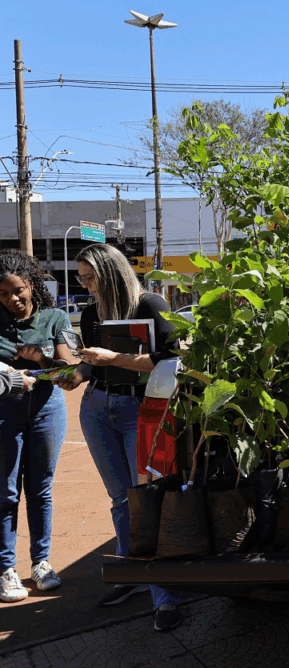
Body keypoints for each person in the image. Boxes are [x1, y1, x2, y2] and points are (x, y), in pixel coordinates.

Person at [56, 243, 184, 630]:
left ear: (111, 273)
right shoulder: (92, 312)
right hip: (97, 408)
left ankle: (165, 594)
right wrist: (76, 375)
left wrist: (115, 359)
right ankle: (132, 576)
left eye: (91, 277)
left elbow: (170, 359)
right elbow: (93, 366)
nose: (85, 285)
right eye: (81, 277)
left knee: (149, 499)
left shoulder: (151, 304)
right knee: (119, 499)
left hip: (140, 410)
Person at [0, 250, 73, 603]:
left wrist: (40, 358)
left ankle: (40, 563)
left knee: (40, 490)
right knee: (6, 491)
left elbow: (70, 374)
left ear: (31, 284)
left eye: (18, 290)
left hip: (48, 410)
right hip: (4, 414)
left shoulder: (56, 317)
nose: (13, 299)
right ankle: (6, 569)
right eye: (3, 294)